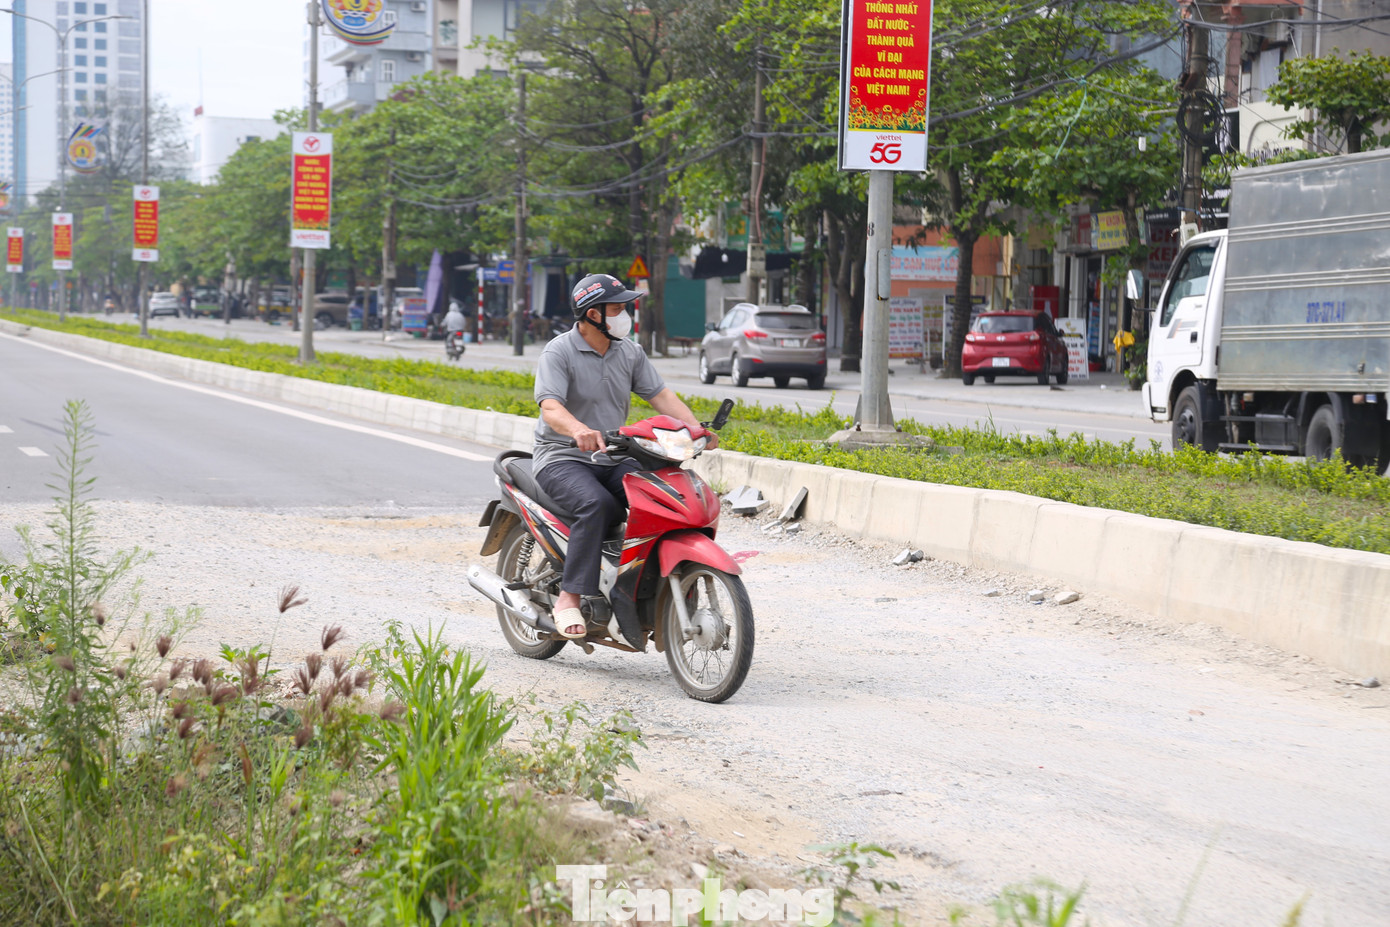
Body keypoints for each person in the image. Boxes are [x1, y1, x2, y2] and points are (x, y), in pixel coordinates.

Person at [533, 273, 713, 641]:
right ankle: (569, 597)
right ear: (592, 314)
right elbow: (550, 407)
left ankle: (633, 583)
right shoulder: (559, 351)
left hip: (611, 455)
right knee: (597, 505)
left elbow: (661, 396)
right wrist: (578, 429)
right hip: (562, 456)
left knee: (662, 495)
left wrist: (698, 430)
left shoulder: (629, 351)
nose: (624, 315)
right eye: (616, 308)